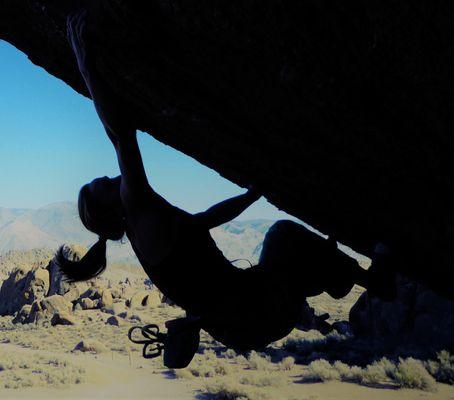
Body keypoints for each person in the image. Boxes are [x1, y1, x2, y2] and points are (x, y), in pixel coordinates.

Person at [59, 11, 385, 368]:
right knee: (281, 237)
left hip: (248, 319)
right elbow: (121, 135)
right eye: (101, 185)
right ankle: (368, 279)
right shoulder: (138, 208)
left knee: (281, 258)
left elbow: (203, 219)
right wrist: (85, 63)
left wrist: (250, 196)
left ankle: (337, 284)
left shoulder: (141, 225)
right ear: (108, 207)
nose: (109, 178)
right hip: (256, 310)